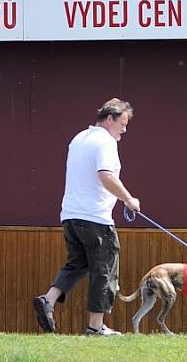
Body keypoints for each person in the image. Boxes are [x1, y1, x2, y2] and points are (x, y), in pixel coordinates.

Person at [33, 98, 140, 336]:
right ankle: (95, 327)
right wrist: (128, 199)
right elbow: (105, 175)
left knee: (78, 264)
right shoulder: (106, 142)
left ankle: (48, 300)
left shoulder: (79, 138)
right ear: (109, 118)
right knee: (104, 270)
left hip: (70, 216)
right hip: (96, 219)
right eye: (122, 123)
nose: (124, 129)